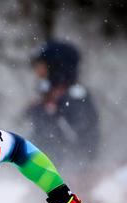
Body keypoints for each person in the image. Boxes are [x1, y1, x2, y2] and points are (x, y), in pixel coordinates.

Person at [26, 40, 101, 178]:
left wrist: (46, 112)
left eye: (42, 66)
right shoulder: (49, 99)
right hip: (47, 176)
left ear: (55, 67)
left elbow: (74, 142)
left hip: (70, 180)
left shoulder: (75, 99)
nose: (38, 72)